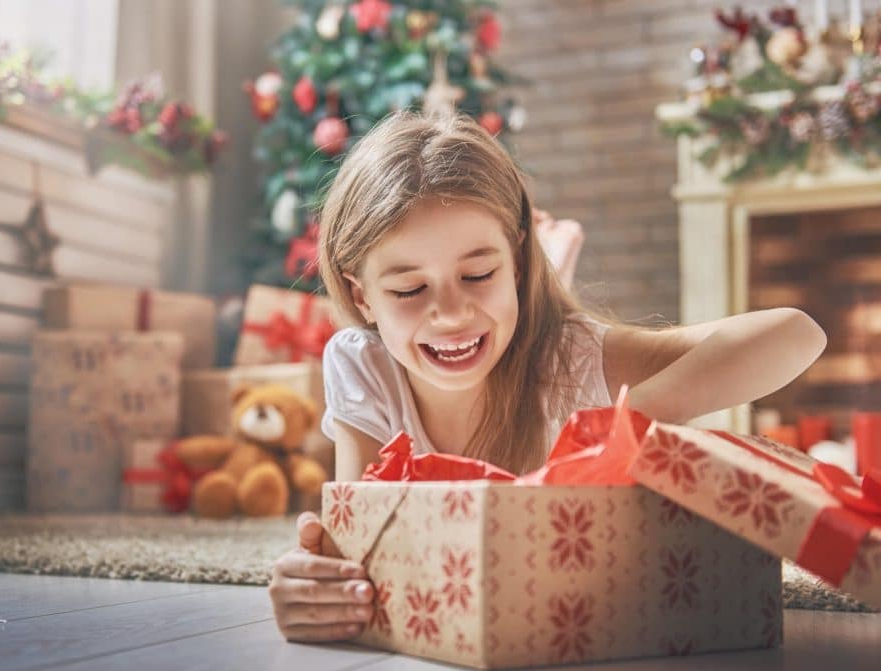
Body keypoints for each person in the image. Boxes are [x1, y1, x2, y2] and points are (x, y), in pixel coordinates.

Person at [268, 111, 826, 643]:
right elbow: (354, 550)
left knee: (544, 325)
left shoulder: (571, 357)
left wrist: (620, 428)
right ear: (361, 295)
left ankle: (551, 260)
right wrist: (313, 587)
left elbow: (796, 334)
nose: (451, 313)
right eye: (410, 290)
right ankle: (546, 260)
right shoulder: (361, 363)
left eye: (479, 273)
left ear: (513, 258)